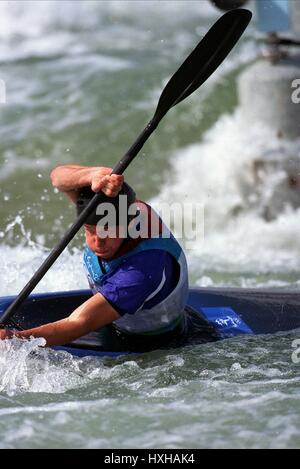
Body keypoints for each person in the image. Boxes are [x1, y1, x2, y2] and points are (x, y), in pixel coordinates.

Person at [0, 165, 193, 352]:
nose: (97, 242)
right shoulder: (119, 206)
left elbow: (79, 322)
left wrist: (14, 340)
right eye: (90, 230)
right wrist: (93, 175)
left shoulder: (142, 271)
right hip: (114, 321)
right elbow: (58, 178)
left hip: (151, 344)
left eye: (107, 231)